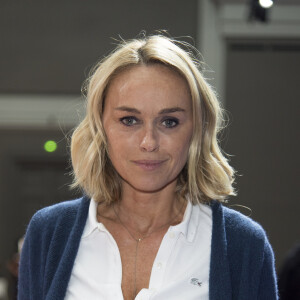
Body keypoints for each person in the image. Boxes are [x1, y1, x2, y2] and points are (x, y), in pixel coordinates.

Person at [18, 34, 278, 300]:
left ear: (197, 131)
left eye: (169, 122)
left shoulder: (244, 246)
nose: (149, 142)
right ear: (100, 127)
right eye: (129, 120)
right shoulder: (48, 234)